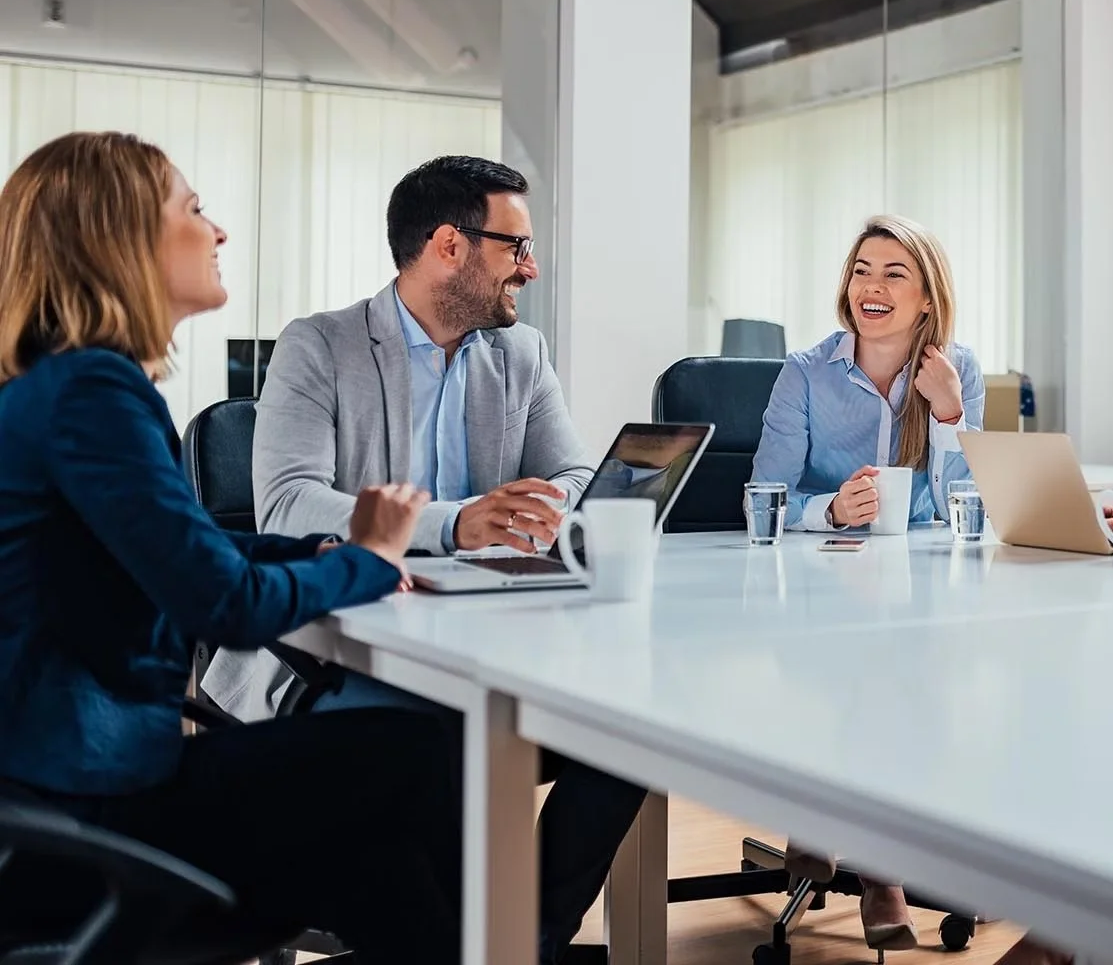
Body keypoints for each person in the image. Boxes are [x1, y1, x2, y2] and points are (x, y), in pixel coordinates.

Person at [0, 132, 457, 964]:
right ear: (120, 237)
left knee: (370, 858)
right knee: (425, 752)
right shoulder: (93, 392)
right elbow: (224, 603)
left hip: (55, 800)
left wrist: (323, 548)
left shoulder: (59, 386)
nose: (217, 232)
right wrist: (369, 562)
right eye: (195, 209)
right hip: (80, 820)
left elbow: (190, 542)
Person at [199, 155, 647, 963]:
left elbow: (577, 473)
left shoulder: (520, 354)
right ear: (449, 244)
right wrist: (455, 524)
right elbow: (289, 505)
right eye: (516, 247)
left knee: (631, 733)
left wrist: (536, 511)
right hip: (332, 662)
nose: (531, 267)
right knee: (438, 747)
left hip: (488, 644)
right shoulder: (320, 346)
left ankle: (527, 939)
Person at [749, 214, 984, 951]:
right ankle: (881, 866)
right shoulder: (807, 372)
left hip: (919, 582)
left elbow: (967, 506)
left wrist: (947, 411)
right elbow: (764, 496)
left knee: (920, 661)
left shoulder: (958, 369)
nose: (871, 288)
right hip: (822, 580)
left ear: (926, 299)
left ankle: (825, 818)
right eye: (861, 271)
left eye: (893, 274)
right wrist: (829, 508)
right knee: (878, 668)